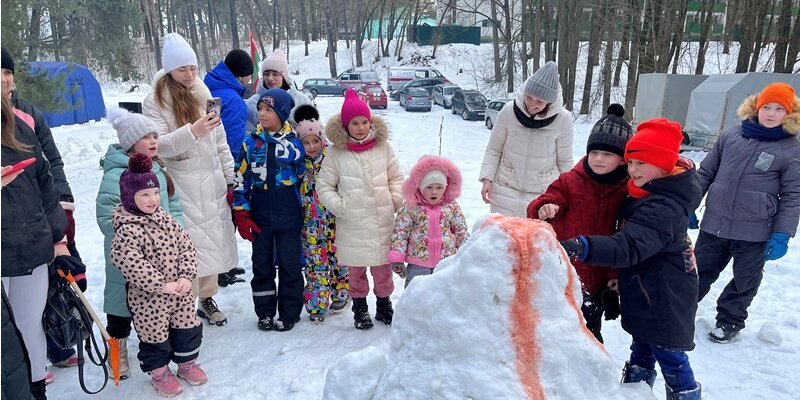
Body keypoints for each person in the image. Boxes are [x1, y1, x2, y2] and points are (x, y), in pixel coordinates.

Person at [559, 118, 702, 400]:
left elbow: (629, 246)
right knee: (643, 346)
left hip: (665, 297)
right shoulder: (650, 190)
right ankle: (637, 390)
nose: (632, 170)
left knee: (670, 357)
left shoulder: (663, 206)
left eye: (640, 163)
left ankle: (685, 394)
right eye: (630, 162)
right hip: (648, 290)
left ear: (662, 164)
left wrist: (582, 246)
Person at [143, 33, 239, 327]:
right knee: (187, 247)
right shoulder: (155, 100)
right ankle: (184, 303)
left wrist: (230, 177)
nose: (189, 74)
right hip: (181, 182)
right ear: (170, 69)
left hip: (212, 182)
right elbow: (158, 144)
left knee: (212, 244)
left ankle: (207, 298)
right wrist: (193, 131)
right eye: (182, 68)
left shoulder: (203, 92)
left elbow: (220, 140)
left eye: (193, 67)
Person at [693, 82, 800, 343]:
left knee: (745, 280)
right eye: (767, 107)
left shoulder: (791, 149)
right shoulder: (731, 136)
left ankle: (729, 321)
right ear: (756, 107)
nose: (771, 113)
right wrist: (687, 204)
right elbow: (705, 173)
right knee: (697, 272)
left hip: (755, 231)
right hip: (715, 224)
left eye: (779, 109)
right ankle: (679, 309)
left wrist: (782, 234)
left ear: (789, 114)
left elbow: (793, 195)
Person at [3, 46, 82, 377]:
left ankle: (37, 382)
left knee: (30, 321)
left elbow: (47, 174)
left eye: (8, 72)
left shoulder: (25, 121)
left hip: (32, 237)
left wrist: (60, 229)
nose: (4, 79)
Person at [526, 104, 633, 343]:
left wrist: (614, 275)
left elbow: (623, 237)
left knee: (589, 333)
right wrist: (544, 207)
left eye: (607, 154)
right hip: (564, 274)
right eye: (594, 152)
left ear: (623, 160)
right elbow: (547, 198)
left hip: (598, 279)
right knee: (555, 329)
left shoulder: (626, 192)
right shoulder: (570, 181)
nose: (598, 159)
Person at [96, 107, 185, 380]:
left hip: (162, 253)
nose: (153, 141)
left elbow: (174, 206)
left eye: (154, 136)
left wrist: (177, 234)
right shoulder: (115, 175)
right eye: (145, 137)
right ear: (130, 143)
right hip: (128, 256)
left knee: (157, 301)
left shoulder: (158, 169)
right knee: (120, 305)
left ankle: (161, 345)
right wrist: (133, 243)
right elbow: (106, 216)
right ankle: (117, 347)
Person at [110, 154, 207, 397]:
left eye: (155, 193)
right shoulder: (127, 229)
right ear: (129, 196)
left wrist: (185, 276)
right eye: (144, 194)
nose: (153, 199)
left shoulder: (166, 218)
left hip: (181, 292)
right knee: (155, 337)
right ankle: (160, 373)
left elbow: (186, 247)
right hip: (149, 299)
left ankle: (187, 364)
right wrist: (161, 284)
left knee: (187, 328)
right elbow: (131, 263)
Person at [317, 89, 404, 330]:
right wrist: (339, 206)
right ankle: (360, 308)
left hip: (382, 219)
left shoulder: (383, 147)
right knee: (356, 271)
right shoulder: (335, 153)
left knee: (383, 269)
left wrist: (395, 199)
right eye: (354, 123)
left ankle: (384, 305)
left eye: (365, 122)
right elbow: (324, 186)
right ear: (346, 126)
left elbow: (396, 177)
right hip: (352, 222)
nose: (361, 127)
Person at [2, 89, 67, 400]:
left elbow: (46, 185)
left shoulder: (18, 126)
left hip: (32, 245)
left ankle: (37, 390)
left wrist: (59, 239)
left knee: (30, 325)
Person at [232, 89, 306, 332]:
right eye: (260, 109)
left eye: (268, 110)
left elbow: (304, 179)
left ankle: (289, 312)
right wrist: (241, 212)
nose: (262, 114)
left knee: (290, 265)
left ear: (282, 114)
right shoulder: (250, 144)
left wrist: (307, 211)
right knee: (261, 265)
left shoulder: (295, 145)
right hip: (260, 213)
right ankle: (264, 312)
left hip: (289, 212)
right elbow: (240, 178)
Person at [478, 61, 574, 217]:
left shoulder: (563, 119)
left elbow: (564, 161)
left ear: (550, 101)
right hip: (504, 192)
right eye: (529, 97)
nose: (532, 105)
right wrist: (487, 178)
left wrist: (568, 193)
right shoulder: (508, 111)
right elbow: (494, 149)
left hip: (542, 198)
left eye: (540, 101)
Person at [295, 105, 349, 324]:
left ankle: (341, 294)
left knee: (339, 260)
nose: (311, 146)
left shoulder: (332, 158)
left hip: (335, 221)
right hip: (310, 225)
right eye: (306, 142)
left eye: (315, 141)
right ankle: (317, 303)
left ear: (322, 140)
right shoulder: (298, 164)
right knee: (315, 265)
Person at [204, 49, 254, 287]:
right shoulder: (233, 100)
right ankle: (221, 268)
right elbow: (233, 141)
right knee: (225, 219)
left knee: (213, 219)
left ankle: (221, 266)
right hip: (225, 167)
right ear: (242, 75)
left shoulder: (209, 89)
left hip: (206, 165)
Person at [389, 155, 469, 288]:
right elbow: (400, 233)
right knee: (416, 292)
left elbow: (461, 230)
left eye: (439, 187)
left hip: (446, 262)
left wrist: (466, 253)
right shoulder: (411, 206)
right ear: (420, 187)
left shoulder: (451, 206)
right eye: (429, 187)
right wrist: (397, 258)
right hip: (418, 263)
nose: (434, 192)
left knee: (443, 293)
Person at [244, 49, 312, 131]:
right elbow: (246, 133)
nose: (270, 78)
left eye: (275, 74)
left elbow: (315, 130)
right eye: (266, 74)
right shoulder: (252, 103)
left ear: (284, 76)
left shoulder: (302, 100)